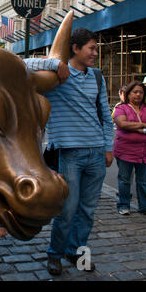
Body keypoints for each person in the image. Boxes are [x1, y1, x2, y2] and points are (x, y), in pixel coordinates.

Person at [25, 28, 114, 276]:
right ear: (75, 48)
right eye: (92, 48)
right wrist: (53, 62)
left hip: (96, 152)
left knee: (87, 210)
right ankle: (54, 254)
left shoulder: (97, 76)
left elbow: (106, 116)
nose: (95, 53)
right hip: (69, 154)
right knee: (67, 210)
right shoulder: (56, 77)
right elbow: (20, 64)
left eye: (96, 49)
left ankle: (76, 252)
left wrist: (108, 147)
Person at [112, 81, 146, 218]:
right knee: (124, 179)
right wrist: (145, 126)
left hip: (145, 151)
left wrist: (139, 128)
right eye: (135, 92)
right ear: (128, 94)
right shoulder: (121, 108)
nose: (138, 95)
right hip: (125, 151)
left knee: (143, 181)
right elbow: (122, 124)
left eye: (141, 92)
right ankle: (124, 205)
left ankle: (145, 206)